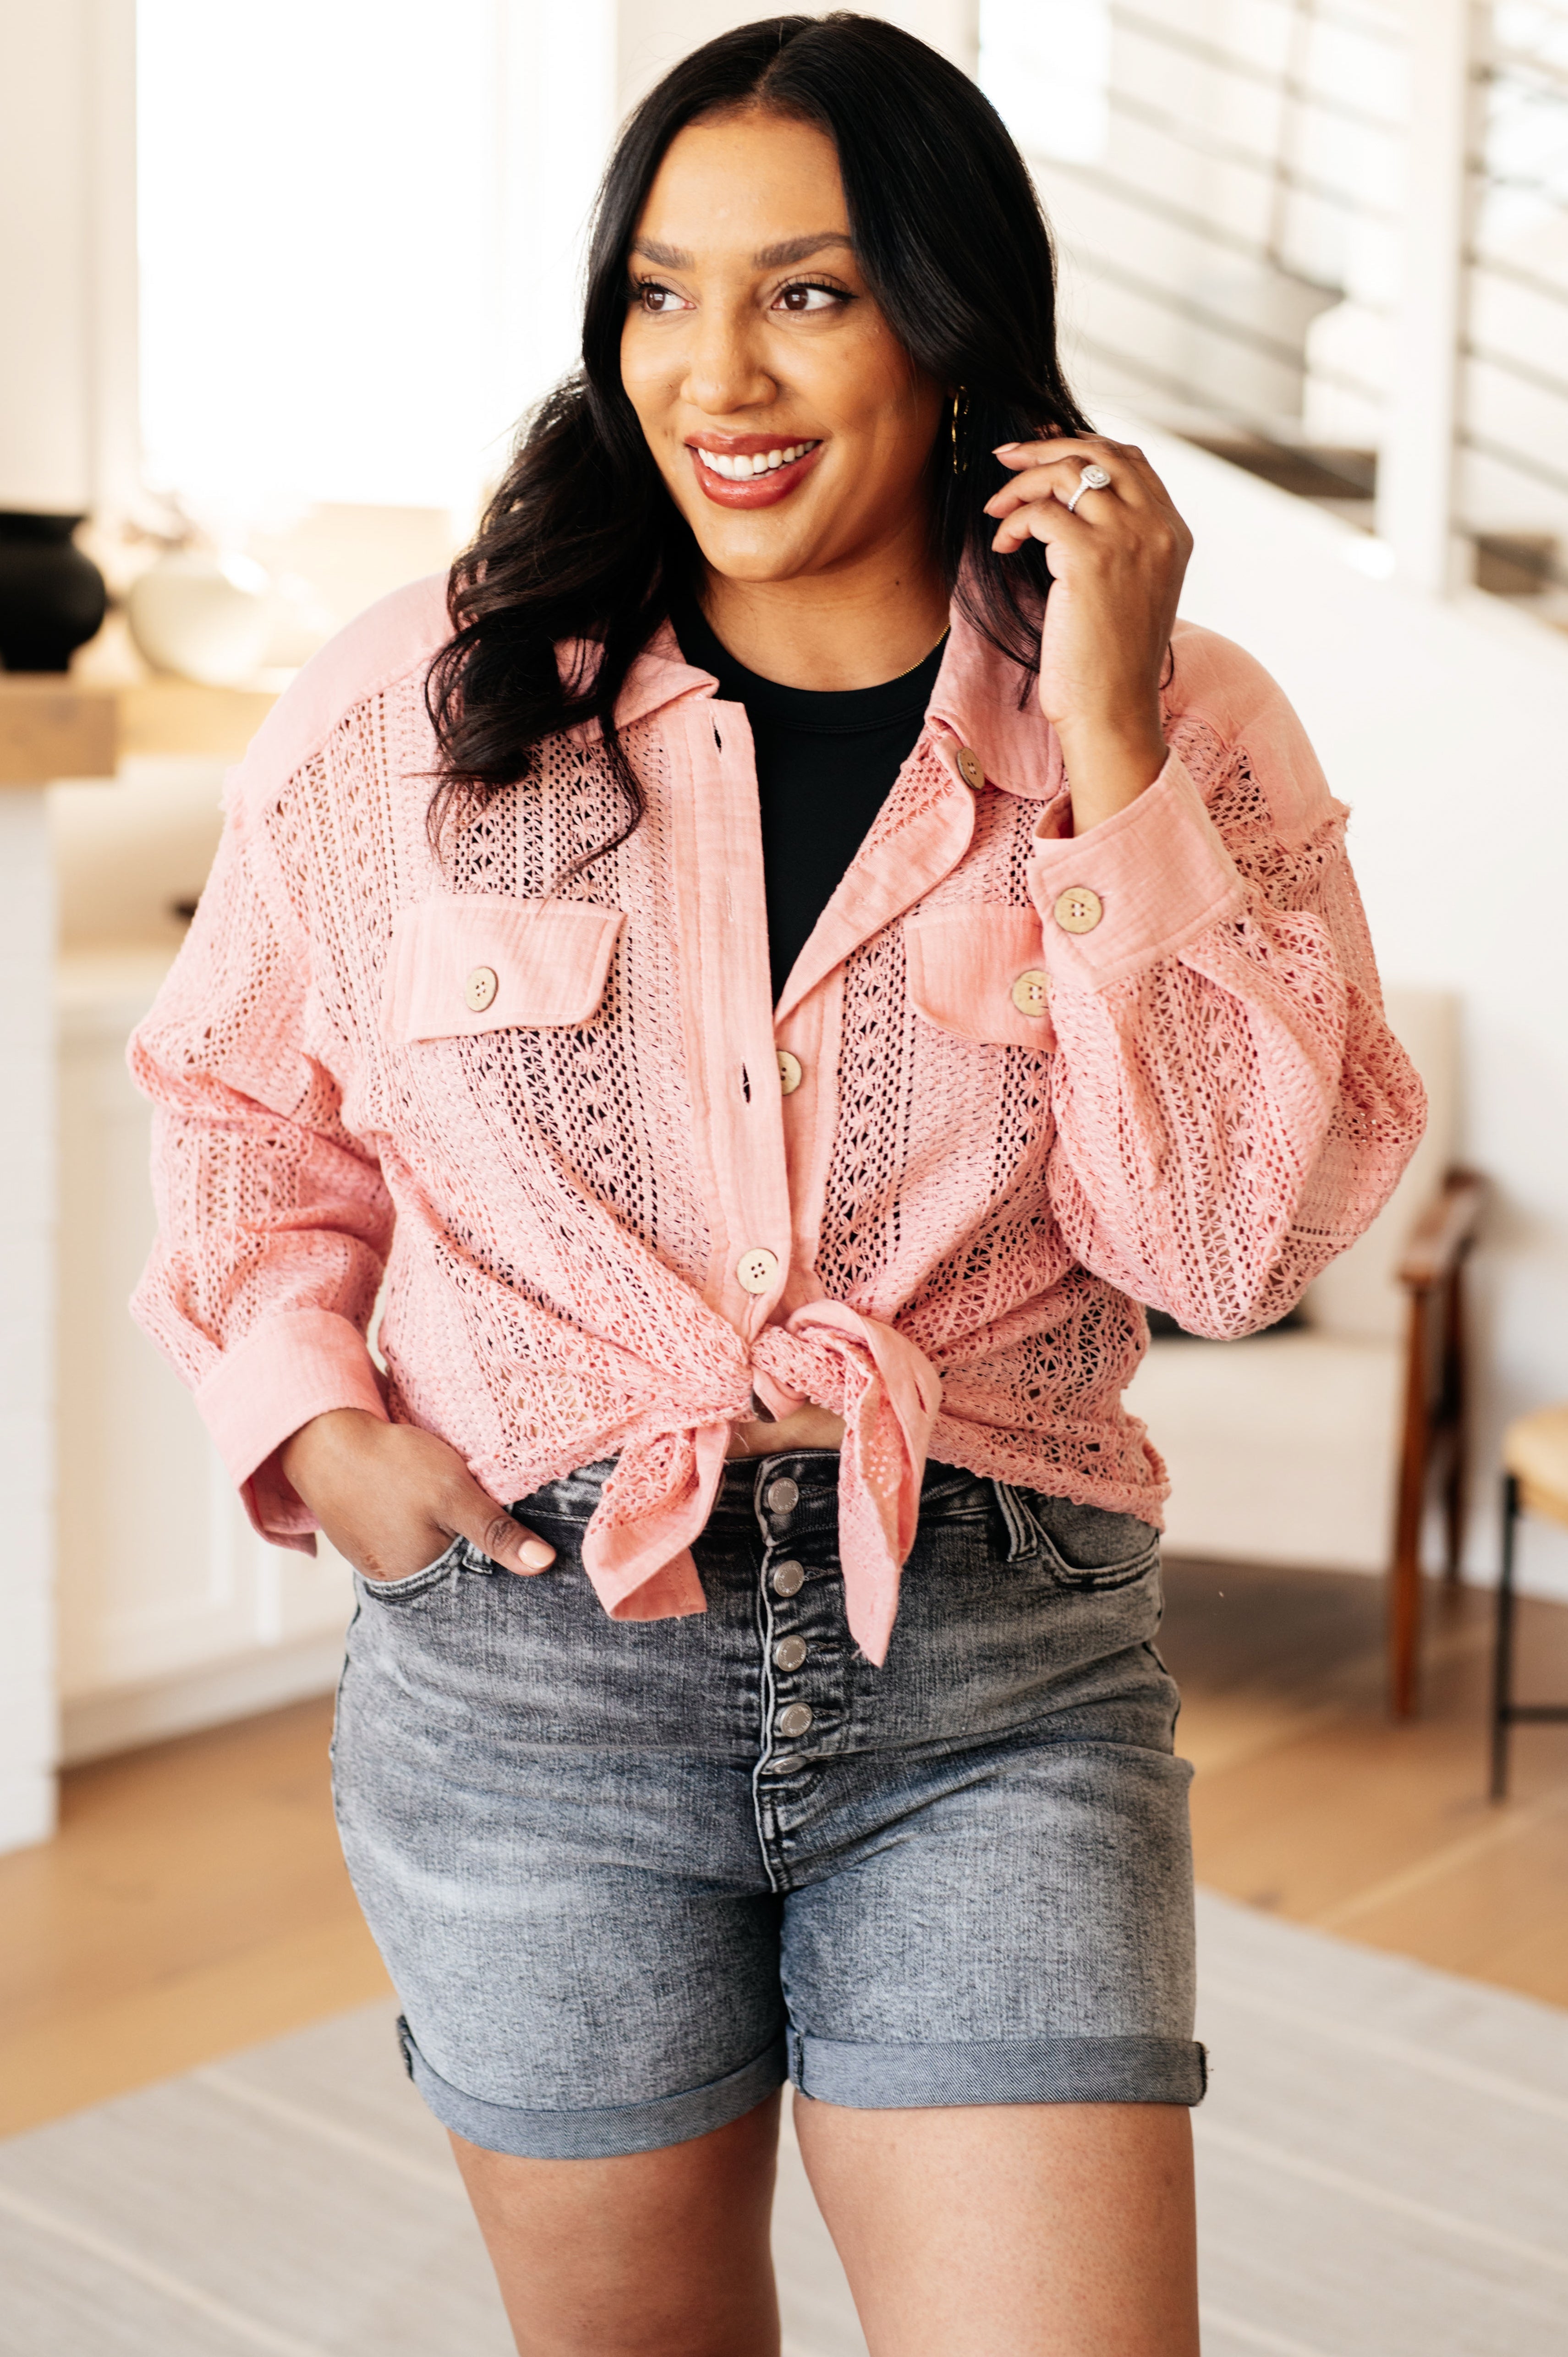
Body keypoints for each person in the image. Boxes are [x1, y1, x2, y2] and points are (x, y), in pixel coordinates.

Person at [130, 15, 1425, 2353]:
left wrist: (1111, 745)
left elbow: (1224, 1247)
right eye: (658, 288)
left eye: (807, 292)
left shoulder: (1182, 720)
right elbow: (240, 1114)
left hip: (996, 1666)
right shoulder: (421, 704)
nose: (713, 366)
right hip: (536, 1666)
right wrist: (318, 1420)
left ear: (953, 324)